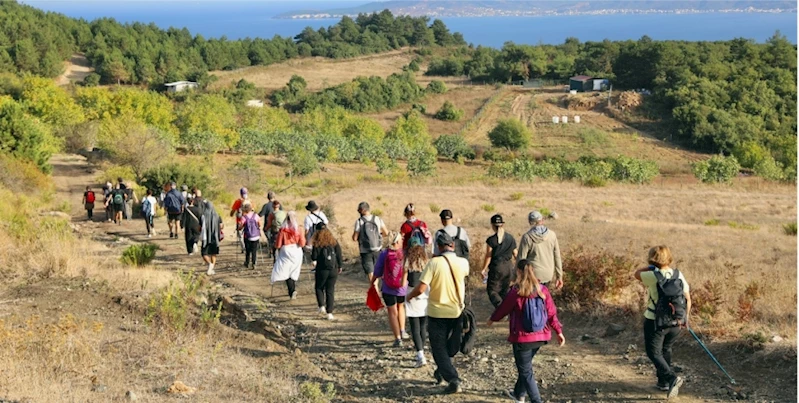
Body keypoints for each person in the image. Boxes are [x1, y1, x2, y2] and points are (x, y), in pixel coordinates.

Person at [486, 259, 565, 403]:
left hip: (522, 338)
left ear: (518, 272)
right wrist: (558, 331)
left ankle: (536, 400)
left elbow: (504, 308)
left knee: (526, 371)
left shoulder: (516, 291)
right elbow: (551, 313)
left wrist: (492, 319)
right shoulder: (543, 290)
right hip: (541, 336)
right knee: (525, 367)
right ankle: (518, 394)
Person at [406, 232, 470, 395]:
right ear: (452, 245)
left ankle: (453, 378)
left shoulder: (433, 263)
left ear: (438, 247)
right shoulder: (463, 263)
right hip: (456, 311)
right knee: (449, 345)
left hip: (437, 312)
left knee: (438, 347)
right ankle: (441, 370)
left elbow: (421, 288)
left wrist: (409, 296)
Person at [634, 246, 691, 399]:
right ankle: (663, 382)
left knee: (653, 352)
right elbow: (687, 298)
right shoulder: (678, 275)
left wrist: (650, 266)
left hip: (655, 321)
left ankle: (671, 378)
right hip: (676, 321)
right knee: (666, 348)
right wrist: (685, 318)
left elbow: (636, 274)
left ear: (652, 259)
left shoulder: (652, 275)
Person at [372, 232, 408, 347]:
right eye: (401, 240)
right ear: (397, 242)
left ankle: (397, 338)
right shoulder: (404, 253)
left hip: (388, 287)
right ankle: (402, 330)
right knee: (401, 306)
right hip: (401, 287)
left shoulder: (384, 253)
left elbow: (377, 270)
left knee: (392, 312)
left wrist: (372, 282)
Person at [517, 211, 563, 289]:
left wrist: (517, 277)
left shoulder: (527, 237)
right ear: (542, 220)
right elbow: (557, 257)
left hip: (532, 274)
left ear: (530, 222)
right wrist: (559, 276)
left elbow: (521, 259)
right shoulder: (552, 235)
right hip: (548, 274)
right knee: (544, 297)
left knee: (532, 299)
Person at [482, 214, 518, 307]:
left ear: (492, 225)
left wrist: (484, 268)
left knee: (492, 290)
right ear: (503, 224)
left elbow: (488, 256)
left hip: (496, 267)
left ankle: (501, 308)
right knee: (505, 290)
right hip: (509, 267)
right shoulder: (510, 238)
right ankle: (507, 310)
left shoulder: (491, 240)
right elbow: (516, 254)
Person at [404, 243, 430, 368]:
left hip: (411, 296)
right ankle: (422, 351)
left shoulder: (408, 264)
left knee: (415, 327)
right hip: (425, 296)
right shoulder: (427, 265)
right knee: (423, 326)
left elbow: (403, 282)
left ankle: (420, 354)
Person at [310, 222, 343, 320]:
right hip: (333, 269)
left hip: (321, 269)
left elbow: (314, 256)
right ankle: (330, 313)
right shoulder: (334, 241)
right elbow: (339, 255)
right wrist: (340, 266)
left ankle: (321, 306)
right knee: (330, 290)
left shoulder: (317, 243)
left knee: (319, 287)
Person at [272, 211, 306, 299]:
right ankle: (293, 288)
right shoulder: (299, 228)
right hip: (296, 250)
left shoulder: (283, 229)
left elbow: (278, 244)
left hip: (286, 251)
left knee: (286, 271)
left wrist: (275, 248)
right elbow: (302, 243)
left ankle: (292, 290)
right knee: (294, 270)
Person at [352, 201, 388, 282]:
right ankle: (378, 290)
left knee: (370, 274)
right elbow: (386, 233)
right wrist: (379, 235)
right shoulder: (377, 219)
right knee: (377, 272)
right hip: (377, 249)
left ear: (362, 210)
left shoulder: (359, 221)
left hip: (365, 251)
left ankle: (375, 291)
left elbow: (354, 238)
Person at [201, 199, 223, 275]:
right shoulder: (217, 215)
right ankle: (211, 268)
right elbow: (221, 225)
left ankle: (210, 265)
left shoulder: (203, 216)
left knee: (204, 253)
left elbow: (199, 227)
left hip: (206, 238)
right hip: (215, 237)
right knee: (213, 253)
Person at [238, 202, 261, 269]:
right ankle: (254, 263)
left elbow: (240, 227)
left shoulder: (244, 217)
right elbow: (259, 224)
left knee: (248, 250)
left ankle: (247, 262)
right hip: (256, 236)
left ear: (245, 210)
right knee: (254, 250)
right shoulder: (256, 215)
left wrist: (239, 227)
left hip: (247, 236)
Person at [230, 188, 250, 254]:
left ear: (240, 194)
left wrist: (231, 214)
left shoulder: (238, 201)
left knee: (241, 236)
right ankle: (248, 247)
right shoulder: (250, 201)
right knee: (248, 234)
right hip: (248, 220)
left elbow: (232, 211)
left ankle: (243, 248)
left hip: (240, 221)